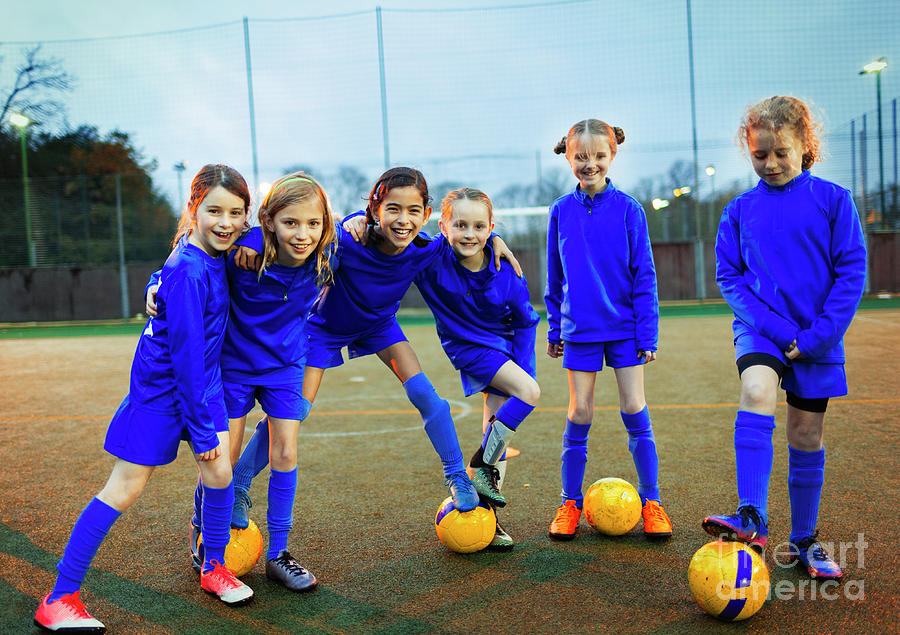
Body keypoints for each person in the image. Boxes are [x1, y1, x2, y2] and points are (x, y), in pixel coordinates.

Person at [35, 165, 254, 633]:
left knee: (220, 474)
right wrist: (200, 430)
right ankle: (59, 597)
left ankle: (213, 567)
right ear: (193, 210)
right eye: (214, 210)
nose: (226, 222)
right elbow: (186, 358)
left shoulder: (208, 253)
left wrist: (156, 279)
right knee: (125, 488)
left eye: (236, 212)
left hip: (204, 385)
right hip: (162, 391)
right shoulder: (189, 269)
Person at [231, 167, 520, 516]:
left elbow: (467, 240)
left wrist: (495, 240)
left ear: (426, 215)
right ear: (374, 210)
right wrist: (250, 240)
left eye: (413, 211)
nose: (403, 220)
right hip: (323, 331)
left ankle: (457, 475)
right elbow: (289, 230)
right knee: (296, 410)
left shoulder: (425, 250)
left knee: (427, 396)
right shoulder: (344, 240)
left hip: (380, 327)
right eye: (393, 209)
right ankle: (240, 484)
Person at [702, 96, 867, 580]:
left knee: (805, 435)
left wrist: (818, 336)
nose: (770, 164)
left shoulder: (834, 201)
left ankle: (804, 540)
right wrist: (775, 329)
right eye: (759, 155)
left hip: (817, 338)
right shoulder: (738, 210)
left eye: (781, 152)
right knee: (756, 390)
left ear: (805, 146)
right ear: (748, 151)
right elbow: (729, 278)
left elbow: (851, 272)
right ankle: (751, 516)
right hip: (761, 331)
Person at [149, 172, 336, 591]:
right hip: (232, 364)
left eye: (313, 223)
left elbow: (368, 234)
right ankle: (201, 530)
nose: (303, 233)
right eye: (291, 223)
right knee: (223, 460)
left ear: (325, 223)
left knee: (285, 452)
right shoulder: (242, 252)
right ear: (267, 220)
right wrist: (155, 281)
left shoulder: (327, 255)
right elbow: (190, 254)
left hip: (286, 365)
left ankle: (278, 554)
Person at [544, 119, 672, 542]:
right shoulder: (560, 210)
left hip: (625, 329)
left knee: (634, 407)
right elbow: (554, 276)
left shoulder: (630, 209)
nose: (590, 164)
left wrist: (647, 333)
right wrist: (554, 328)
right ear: (569, 157)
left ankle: (652, 501)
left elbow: (645, 274)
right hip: (579, 329)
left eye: (599, 156)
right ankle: (570, 503)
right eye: (581, 157)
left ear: (612, 156)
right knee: (580, 412)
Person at [413, 187, 540, 551]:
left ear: (490, 227)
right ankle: (480, 465)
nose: (470, 234)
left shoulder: (506, 272)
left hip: (504, 349)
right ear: (443, 226)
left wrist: (523, 369)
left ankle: (488, 519)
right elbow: (396, 236)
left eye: (480, 227)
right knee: (530, 394)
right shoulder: (432, 257)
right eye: (460, 225)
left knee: (496, 433)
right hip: (468, 349)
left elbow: (526, 322)